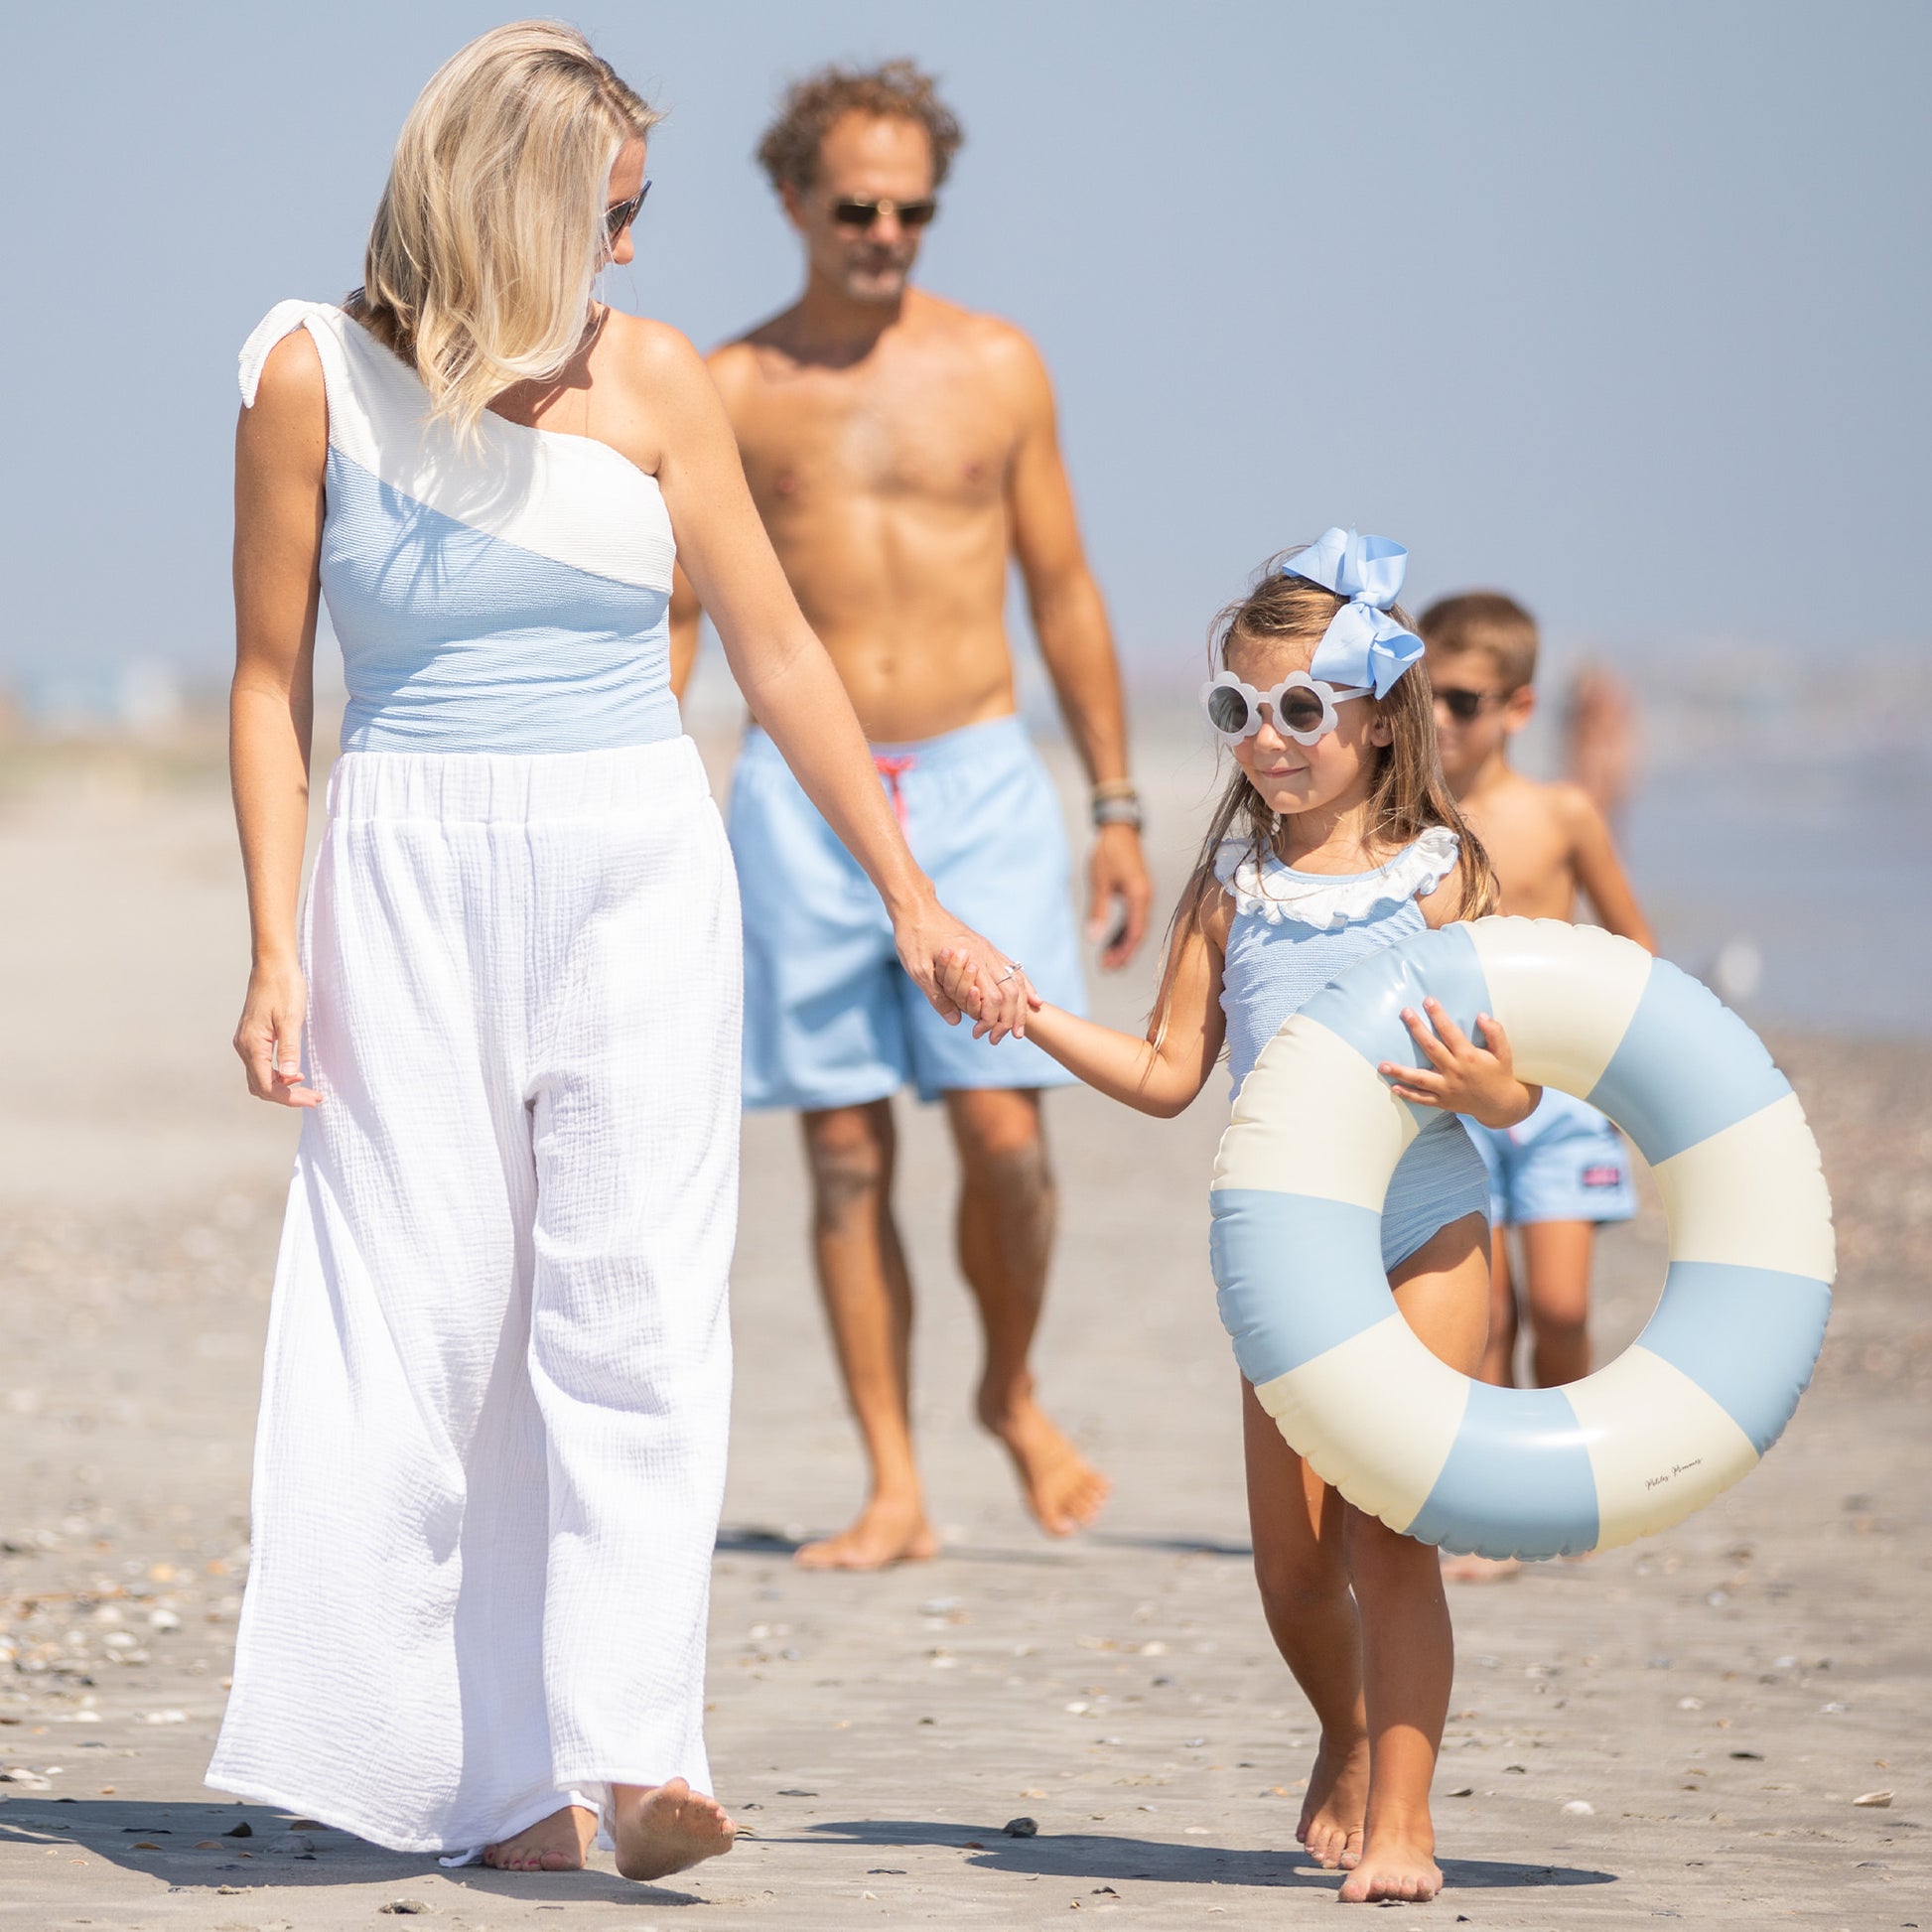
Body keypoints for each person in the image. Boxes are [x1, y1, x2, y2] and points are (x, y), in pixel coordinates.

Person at [212, 23, 1028, 1881]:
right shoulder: (305, 376)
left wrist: (912, 897)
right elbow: (270, 690)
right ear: (511, 201)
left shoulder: (655, 378)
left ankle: (641, 1751)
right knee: (428, 1328)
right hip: (405, 863)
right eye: (615, 214)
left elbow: (784, 656)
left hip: (635, 864)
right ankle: (493, 1786)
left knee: (635, 1313)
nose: (638, 254)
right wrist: (274, 945)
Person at [938, 531, 1538, 1904]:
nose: (1267, 741)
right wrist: (1028, 1011)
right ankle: (1339, 1728)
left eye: (1301, 711)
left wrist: (1490, 1086)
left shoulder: (1442, 874)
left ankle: (1403, 1817)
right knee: (1288, 1566)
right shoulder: (1231, 890)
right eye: (1237, 710)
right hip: (1286, 1254)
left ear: (1377, 716)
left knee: (1389, 1536)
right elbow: (1162, 1074)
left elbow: (1519, 1087)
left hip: (1427, 1230)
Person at [669, 61, 1152, 1570]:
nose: (886, 233)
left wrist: (1116, 802)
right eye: (858, 206)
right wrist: (662, 806)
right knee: (843, 1157)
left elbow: (1064, 590)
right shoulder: (730, 387)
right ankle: (892, 1480)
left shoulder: (998, 365)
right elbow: (680, 616)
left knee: (1006, 1134)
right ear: (793, 198)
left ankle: (1007, 1390)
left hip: (978, 782)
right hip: (799, 800)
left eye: (913, 210)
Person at [1419, 593, 1655, 1395]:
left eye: (1462, 700)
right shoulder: (1411, 826)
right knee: (1483, 1318)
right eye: (1423, 697)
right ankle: (1491, 1500)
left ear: (1519, 707)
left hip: (1561, 1089)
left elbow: (1635, 947)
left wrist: (1630, 1070)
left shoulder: (1564, 814)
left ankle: (1557, 1466)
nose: (1439, 719)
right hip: (1457, 1088)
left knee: (1558, 1310)